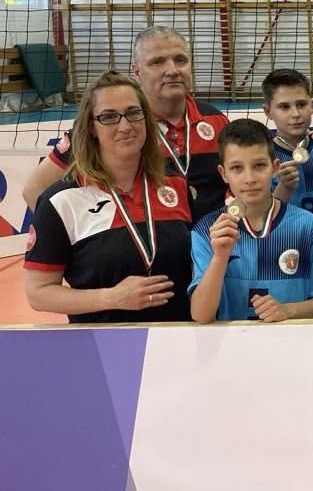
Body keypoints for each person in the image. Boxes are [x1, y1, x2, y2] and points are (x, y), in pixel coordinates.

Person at [24, 71, 192, 323]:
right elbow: (38, 293)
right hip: (104, 341)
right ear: (92, 126)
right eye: (109, 117)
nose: (125, 126)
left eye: (133, 113)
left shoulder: (175, 184)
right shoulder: (61, 201)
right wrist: (111, 297)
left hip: (179, 336)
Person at [23, 26, 228, 222]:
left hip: (212, 244)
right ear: (136, 71)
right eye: (157, 62)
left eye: (180, 60)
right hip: (146, 243)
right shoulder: (110, 128)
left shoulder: (216, 120)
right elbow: (34, 189)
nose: (172, 70)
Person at [189, 119, 313, 323]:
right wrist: (220, 257)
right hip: (232, 343)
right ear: (223, 173)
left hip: (292, 341)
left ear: (274, 167)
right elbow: (201, 315)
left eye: (259, 165)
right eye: (237, 168)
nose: (249, 178)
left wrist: (287, 311)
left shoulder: (308, 226)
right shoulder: (207, 230)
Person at [262, 68, 313, 240]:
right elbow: (261, 219)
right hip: (284, 251)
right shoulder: (263, 160)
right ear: (268, 111)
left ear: (312, 105)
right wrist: (283, 187)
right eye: (284, 107)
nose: (296, 114)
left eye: (301, 104)